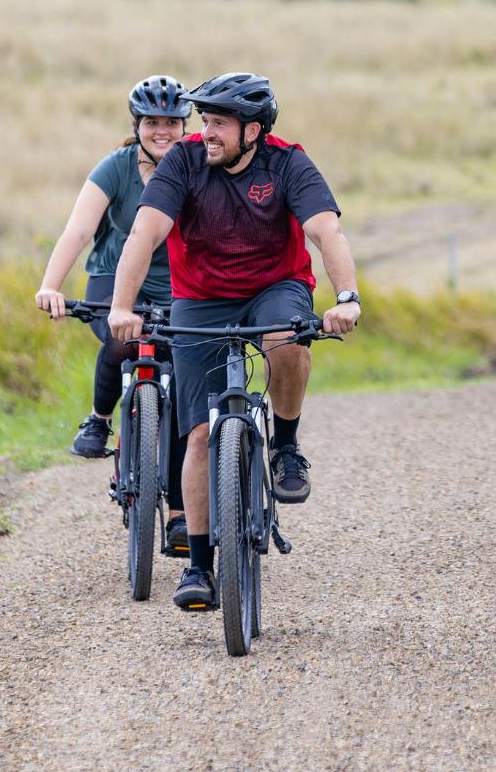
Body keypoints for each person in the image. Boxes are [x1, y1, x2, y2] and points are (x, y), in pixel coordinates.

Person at [107, 72, 362, 612]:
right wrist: (122, 308)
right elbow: (145, 231)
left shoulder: (288, 162)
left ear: (253, 131)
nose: (207, 133)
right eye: (205, 121)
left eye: (219, 123)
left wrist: (347, 297)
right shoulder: (184, 160)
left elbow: (325, 231)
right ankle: (199, 565)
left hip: (276, 287)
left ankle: (286, 447)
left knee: (288, 340)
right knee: (199, 436)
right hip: (199, 297)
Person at [36, 75, 192, 554]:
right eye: (151, 122)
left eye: (170, 122)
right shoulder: (115, 169)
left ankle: (182, 513)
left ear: (186, 126)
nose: (161, 131)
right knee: (122, 339)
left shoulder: (197, 170)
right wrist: (50, 285)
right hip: (113, 279)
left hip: (176, 287)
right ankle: (100, 418)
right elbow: (78, 230)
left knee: (185, 384)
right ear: (136, 125)